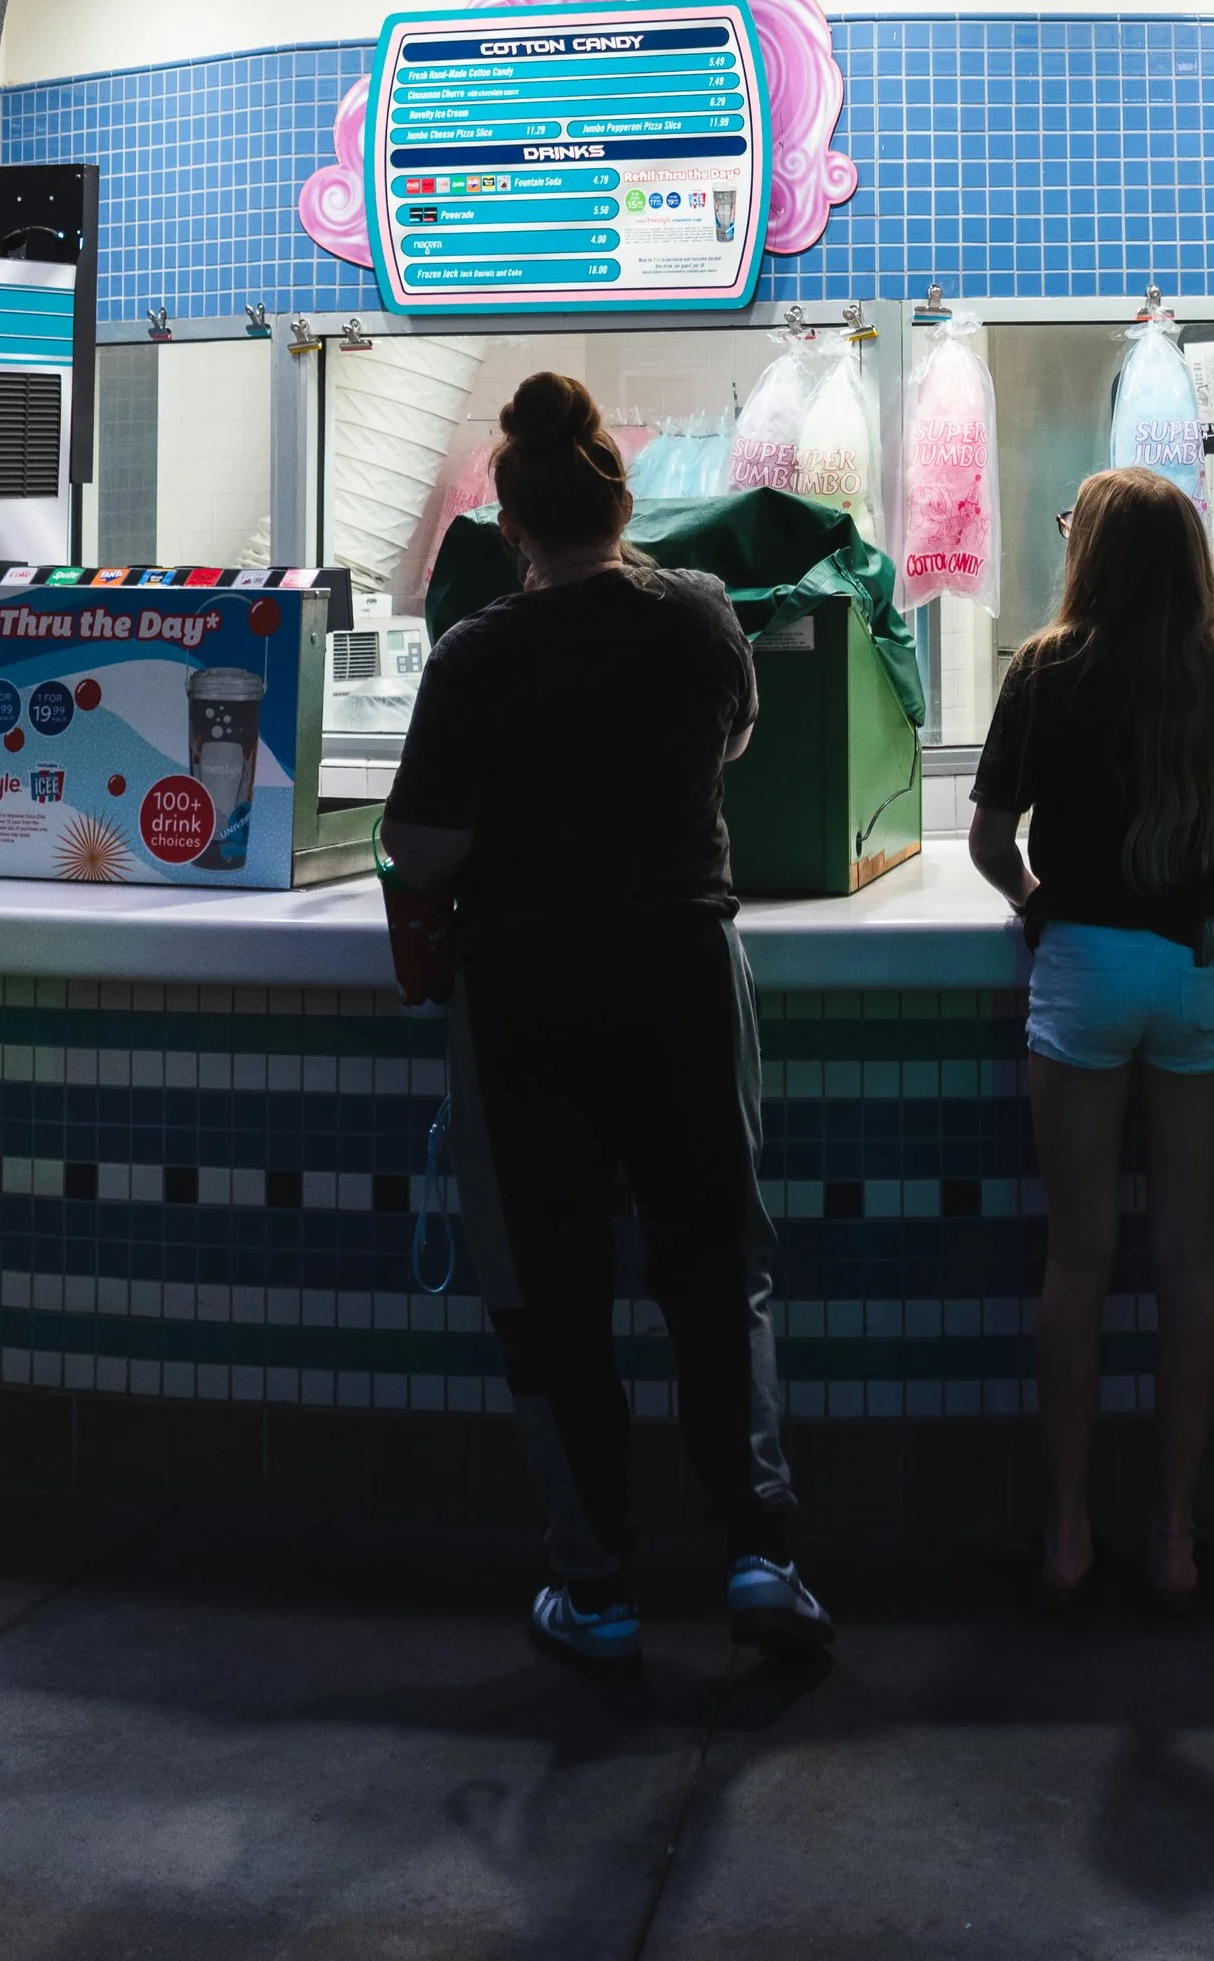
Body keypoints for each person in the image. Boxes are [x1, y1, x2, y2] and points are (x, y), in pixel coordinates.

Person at [377, 371, 833, 1670]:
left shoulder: (476, 655)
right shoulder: (694, 617)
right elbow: (733, 737)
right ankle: (757, 1554)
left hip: (526, 993)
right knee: (714, 1263)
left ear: (509, 520)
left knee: (555, 1289)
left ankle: (596, 1586)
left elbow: (420, 845)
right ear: (619, 498)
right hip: (683, 967)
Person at [967, 465, 1214, 1609]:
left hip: (1081, 966)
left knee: (1077, 1260)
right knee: (1189, 1262)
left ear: (1092, 556)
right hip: (1198, 968)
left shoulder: (1042, 666)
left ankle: (1067, 1532)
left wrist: (1038, 898)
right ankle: (1174, 1537)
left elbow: (986, 840)